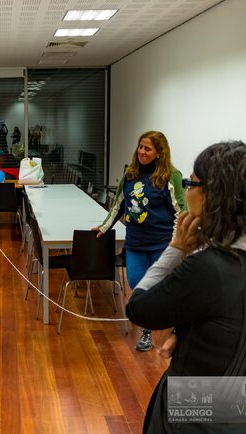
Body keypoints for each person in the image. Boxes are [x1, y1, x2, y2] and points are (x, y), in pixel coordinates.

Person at [125, 141, 246, 433]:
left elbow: (139, 308)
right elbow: (236, 322)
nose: (187, 191)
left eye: (191, 183)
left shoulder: (212, 267)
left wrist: (177, 247)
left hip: (199, 416)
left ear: (212, 195)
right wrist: (188, 333)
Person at [93, 131, 186, 352]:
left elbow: (181, 211)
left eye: (147, 148)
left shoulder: (170, 176)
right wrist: (104, 227)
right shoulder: (130, 174)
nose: (142, 152)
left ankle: (149, 330)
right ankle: (155, 322)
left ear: (159, 153)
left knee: (157, 286)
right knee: (136, 283)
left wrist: (177, 243)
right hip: (135, 242)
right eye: (140, 147)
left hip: (161, 243)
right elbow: (118, 205)